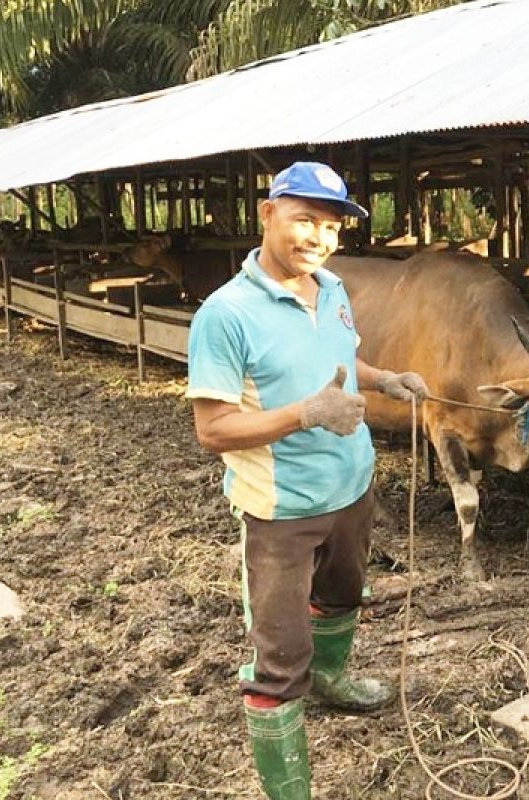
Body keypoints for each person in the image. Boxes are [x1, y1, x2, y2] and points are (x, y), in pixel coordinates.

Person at [185, 161, 428, 800]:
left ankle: (335, 677)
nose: (316, 237)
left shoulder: (334, 289)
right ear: (267, 214)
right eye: (303, 220)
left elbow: (342, 358)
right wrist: (305, 414)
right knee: (279, 658)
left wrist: (384, 379)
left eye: (328, 225)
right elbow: (212, 429)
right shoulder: (225, 314)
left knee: (345, 594)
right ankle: (288, 787)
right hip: (281, 509)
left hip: (352, 486)